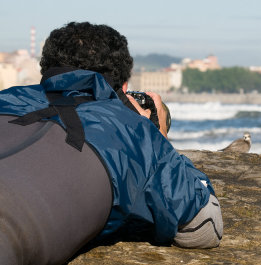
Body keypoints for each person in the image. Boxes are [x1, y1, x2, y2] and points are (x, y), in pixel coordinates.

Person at [0, 22, 222, 264]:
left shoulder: (7, 97)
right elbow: (203, 228)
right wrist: (157, 141)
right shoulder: (134, 131)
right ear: (123, 86)